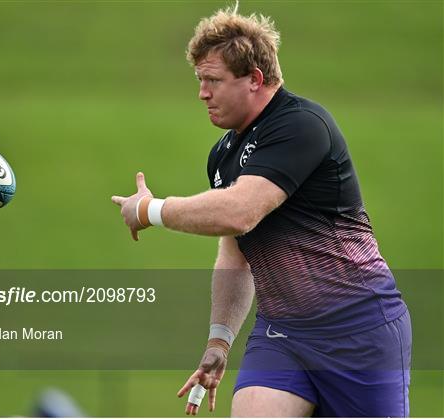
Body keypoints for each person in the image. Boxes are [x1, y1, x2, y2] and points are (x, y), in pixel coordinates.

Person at [112, 5, 411, 417]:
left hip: (357, 329)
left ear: (254, 79)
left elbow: (240, 212)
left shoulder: (303, 125)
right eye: (200, 80)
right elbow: (236, 252)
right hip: (282, 334)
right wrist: (219, 340)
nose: (202, 93)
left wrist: (150, 210)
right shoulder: (222, 155)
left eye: (212, 80)